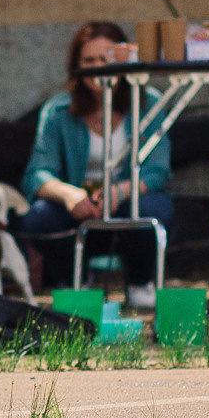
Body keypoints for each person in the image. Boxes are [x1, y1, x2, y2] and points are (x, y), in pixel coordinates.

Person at [19, 20, 175, 309]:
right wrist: (69, 195)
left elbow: (157, 169)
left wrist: (119, 192)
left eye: (107, 59)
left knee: (153, 208)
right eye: (90, 60)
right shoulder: (58, 111)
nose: (99, 67)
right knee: (39, 217)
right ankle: (77, 282)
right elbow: (38, 172)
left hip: (126, 200)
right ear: (77, 67)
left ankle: (140, 282)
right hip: (80, 207)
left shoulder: (148, 102)